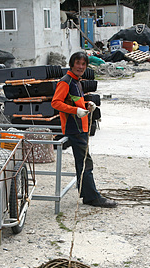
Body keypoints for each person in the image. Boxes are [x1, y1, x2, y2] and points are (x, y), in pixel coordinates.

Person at [51, 51, 117, 208]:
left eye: (83, 64)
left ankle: (87, 194)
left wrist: (86, 105)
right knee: (86, 163)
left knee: (83, 162)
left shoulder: (76, 81)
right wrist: (75, 111)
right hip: (74, 127)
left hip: (81, 126)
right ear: (71, 64)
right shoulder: (66, 82)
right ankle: (93, 197)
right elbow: (55, 103)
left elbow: (74, 101)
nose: (80, 66)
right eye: (78, 63)